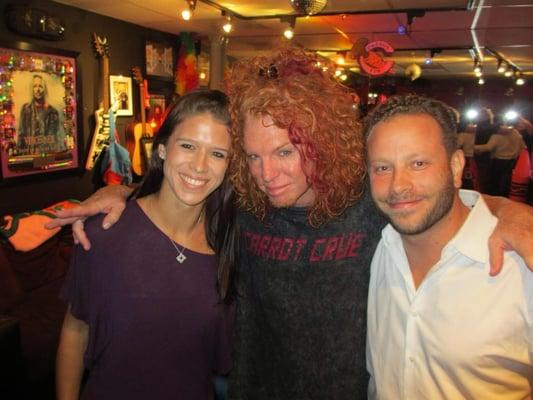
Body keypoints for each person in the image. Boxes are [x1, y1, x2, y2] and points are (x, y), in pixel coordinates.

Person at [47, 47, 533, 399]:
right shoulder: (249, 204)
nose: (267, 175)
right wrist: (122, 192)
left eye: (284, 152)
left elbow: (425, 195)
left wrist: (509, 212)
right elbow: (190, 184)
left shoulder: (368, 204)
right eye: (253, 156)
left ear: (319, 141)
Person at [55, 90, 236, 400]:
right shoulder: (104, 232)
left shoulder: (230, 244)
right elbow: (75, 331)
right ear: (162, 149)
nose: (200, 166)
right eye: (188, 146)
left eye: (217, 154)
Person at [364, 94, 532, 398]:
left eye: (418, 163)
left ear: (456, 166)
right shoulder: (376, 243)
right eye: (382, 168)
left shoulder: (521, 266)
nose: (398, 186)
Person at [474, 117, 526, 197]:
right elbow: (523, 147)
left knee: (496, 183)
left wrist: (474, 147)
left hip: (499, 162)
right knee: (507, 183)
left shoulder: (497, 135)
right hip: (512, 162)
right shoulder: (516, 133)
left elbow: (488, 147)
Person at [17, 74, 61, 154]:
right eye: (35, 86)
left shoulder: (53, 112)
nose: (37, 89)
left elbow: (54, 138)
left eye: (40, 86)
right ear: (32, 89)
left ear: (44, 89)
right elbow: (21, 136)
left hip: (46, 156)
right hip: (28, 156)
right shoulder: (25, 109)